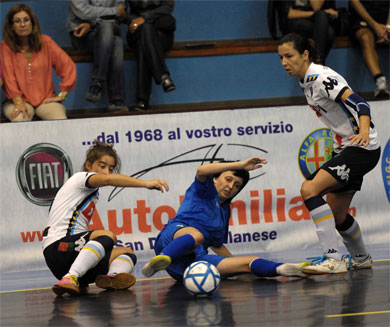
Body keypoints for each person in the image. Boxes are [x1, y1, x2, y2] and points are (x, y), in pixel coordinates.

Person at [278, 33, 381, 274]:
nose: (284, 62)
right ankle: (361, 258)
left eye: (289, 56)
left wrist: (364, 131)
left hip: (361, 147)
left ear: (304, 54)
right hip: (346, 148)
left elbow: (360, 103)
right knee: (338, 214)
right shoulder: (305, 80)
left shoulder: (322, 77)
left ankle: (333, 259)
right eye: (280, 57)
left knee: (309, 189)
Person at [142, 157, 310, 281]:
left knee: (246, 265)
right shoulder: (205, 191)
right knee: (197, 236)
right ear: (215, 178)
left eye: (237, 185)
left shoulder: (224, 211)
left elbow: (217, 245)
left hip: (190, 264)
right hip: (172, 239)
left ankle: (283, 269)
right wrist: (240, 165)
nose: (231, 187)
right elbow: (201, 171)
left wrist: (234, 265)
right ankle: (160, 259)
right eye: (228, 179)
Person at [43, 142, 169, 296]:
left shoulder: (92, 191)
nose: (106, 172)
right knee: (108, 236)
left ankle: (111, 278)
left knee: (127, 253)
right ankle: (71, 277)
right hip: (59, 249)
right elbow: (108, 180)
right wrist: (146, 183)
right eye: (102, 166)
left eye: (110, 168)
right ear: (88, 165)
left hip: (72, 256)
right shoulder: (80, 178)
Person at [1, 4, 76, 122]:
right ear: (11, 27)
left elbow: (68, 65)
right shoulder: (6, 46)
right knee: (20, 119)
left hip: (46, 99)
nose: (22, 24)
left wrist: (62, 95)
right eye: (17, 21)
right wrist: (18, 102)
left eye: (26, 20)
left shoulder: (46, 42)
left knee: (59, 119)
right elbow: (8, 77)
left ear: (32, 22)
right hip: (17, 100)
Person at [67, 0, 128, 112]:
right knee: (116, 41)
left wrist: (93, 23)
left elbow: (122, 11)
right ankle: (116, 101)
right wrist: (112, 12)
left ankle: (97, 84)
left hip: (107, 29)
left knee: (108, 29)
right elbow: (83, 11)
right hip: (82, 33)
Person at [124, 0, 176, 111]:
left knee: (144, 39)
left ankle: (142, 101)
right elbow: (122, 14)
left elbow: (168, 7)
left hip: (161, 33)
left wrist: (144, 19)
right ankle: (163, 76)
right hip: (137, 30)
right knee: (145, 33)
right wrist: (134, 21)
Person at [271, 0, 340, 65]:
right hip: (293, 23)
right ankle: (317, 63)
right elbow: (289, 14)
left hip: (312, 21)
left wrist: (318, 13)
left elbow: (316, 7)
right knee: (326, 28)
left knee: (329, 31)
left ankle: (315, 63)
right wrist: (315, 14)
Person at [349, 0, 390, 97]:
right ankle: (380, 83)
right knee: (365, 38)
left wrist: (388, 27)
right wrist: (375, 26)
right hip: (364, 18)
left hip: (386, 17)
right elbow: (354, 2)